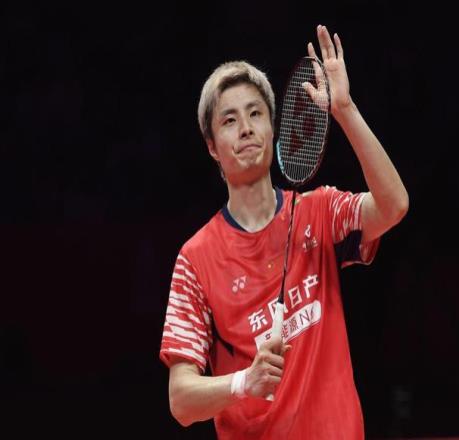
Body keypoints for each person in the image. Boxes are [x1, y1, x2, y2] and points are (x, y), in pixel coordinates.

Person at [159, 24, 409, 439]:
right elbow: (181, 400)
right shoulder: (196, 259)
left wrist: (345, 109)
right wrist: (244, 382)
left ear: (272, 128)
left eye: (255, 114)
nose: (245, 128)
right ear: (211, 146)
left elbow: (394, 205)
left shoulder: (319, 212)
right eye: (229, 120)